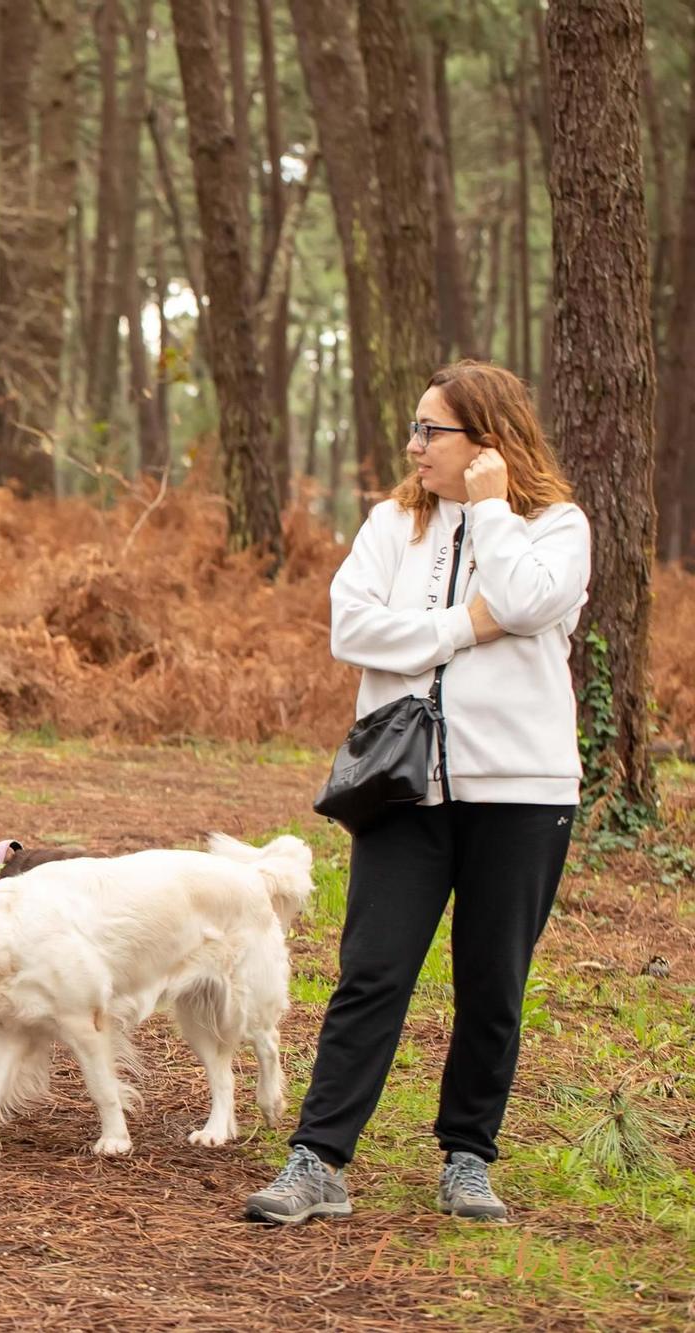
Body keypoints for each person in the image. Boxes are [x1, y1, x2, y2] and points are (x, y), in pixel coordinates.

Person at [247, 361, 591, 1226]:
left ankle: (468, 1158)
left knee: (492, 979)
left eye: (430, 430)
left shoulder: (556, 526)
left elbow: (523, 598)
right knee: (372, 970)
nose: (413, 446)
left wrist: (487, 512)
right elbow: (353, 627)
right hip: (403, 785)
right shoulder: (392, 523)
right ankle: (318, 1159)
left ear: (487, 437)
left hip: (522, 790)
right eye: (415, 427)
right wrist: (457, 629)